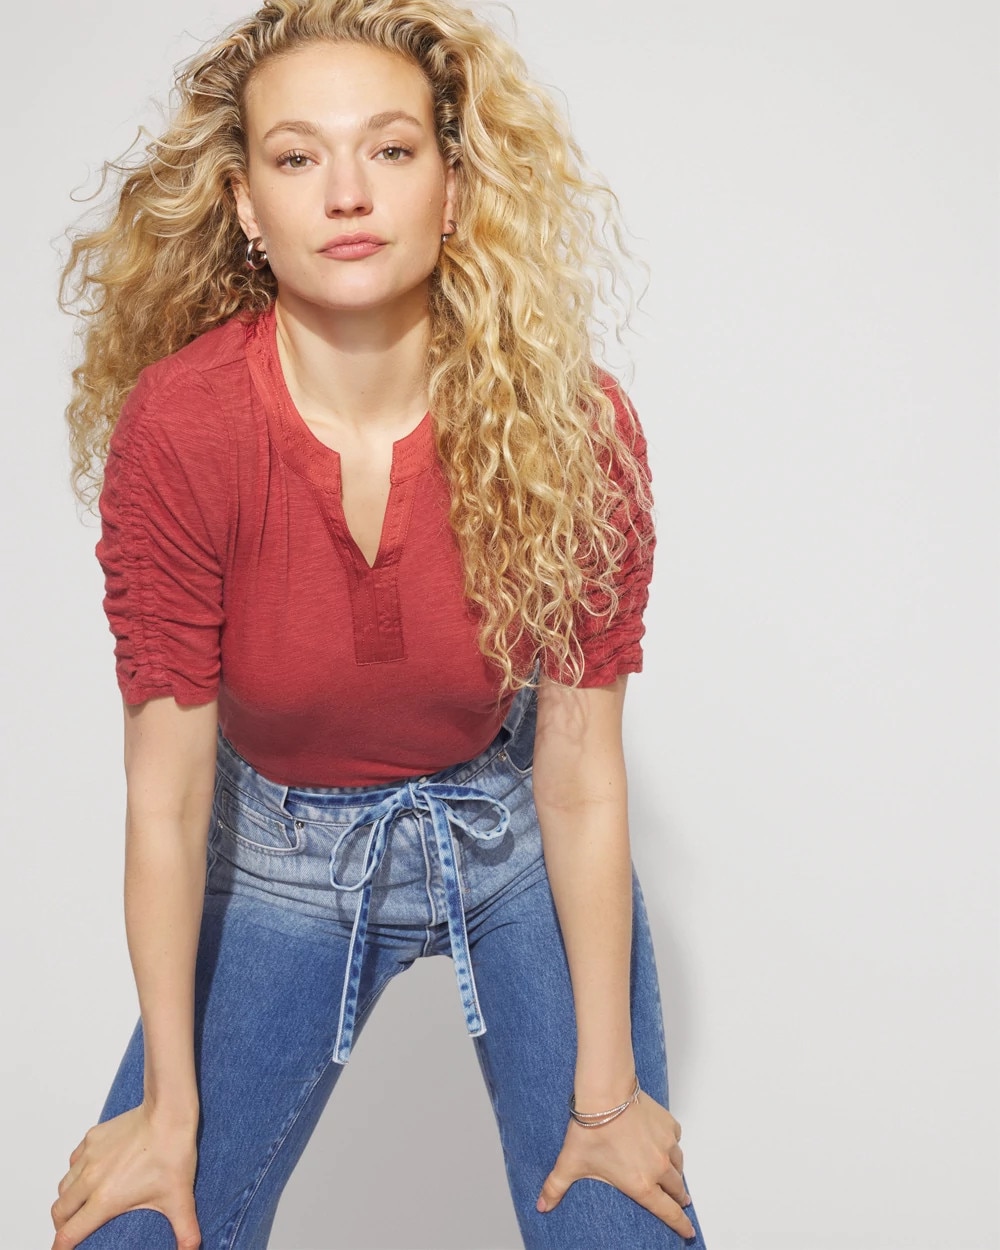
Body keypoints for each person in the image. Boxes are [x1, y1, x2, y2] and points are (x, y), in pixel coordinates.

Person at [51, 2, 708, 1247]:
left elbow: (577, 774)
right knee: (133, 1227)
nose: (346, 192)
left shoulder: (573, 426)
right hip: (276, 857)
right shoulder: (184, 430)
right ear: (246, 205)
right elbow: (168, 798)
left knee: (615, 1216)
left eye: (391, 150)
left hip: (515, 839)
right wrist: (168, 1113)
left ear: (452, 188)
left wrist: (610, 1097)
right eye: (298, 156)